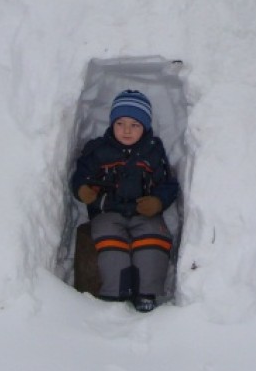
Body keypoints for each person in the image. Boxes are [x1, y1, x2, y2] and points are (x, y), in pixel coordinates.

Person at [71, 89, 179, 312]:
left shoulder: (153, 151)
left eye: (135, 125)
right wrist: (83, 190)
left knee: (154, 239)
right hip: (107, 211)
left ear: (146, 127)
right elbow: (81, 175)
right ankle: (115, 292)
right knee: (111, 243)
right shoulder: (98, 150)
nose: (127, 131)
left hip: (144, 212)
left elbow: (168, 184)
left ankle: (146, 292)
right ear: (112, 123)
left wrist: (158, 201)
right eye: (120, 123)